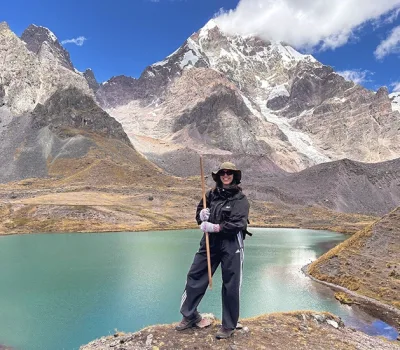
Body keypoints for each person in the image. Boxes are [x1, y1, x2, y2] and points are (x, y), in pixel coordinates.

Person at [176, 161, 250, 339]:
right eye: (222, 173)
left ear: (235, 176)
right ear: (218, 176)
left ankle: (229, 325)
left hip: (232, 243)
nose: (226, 175)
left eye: (229, 173)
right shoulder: (211, 194)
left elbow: (238, 223)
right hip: (210, 242)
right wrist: (201, 216)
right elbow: (200, 211)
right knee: (196, 274)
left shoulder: (241, 200)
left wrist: (215, 227)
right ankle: (190, 315)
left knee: (231, 284)